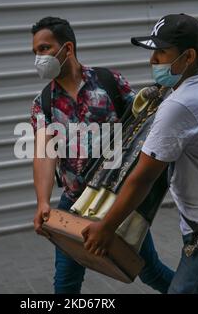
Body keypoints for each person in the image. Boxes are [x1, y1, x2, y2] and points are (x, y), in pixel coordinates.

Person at [82, 14, 198, 294]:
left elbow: (142, 178)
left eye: (161, 52)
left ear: (188, 56)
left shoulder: (179, 104)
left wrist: (106, 227)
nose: (153, 61)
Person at [30, 16, 174, 294]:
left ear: (67, 49)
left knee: (147, 270)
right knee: (65, 285)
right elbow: (43, 154)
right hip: (73, 203)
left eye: (44, 49)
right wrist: (43, 202)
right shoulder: (43, 104)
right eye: (35, 51)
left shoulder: (109, 81)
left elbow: (141, 123)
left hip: (113, 199)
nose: (39, 58)